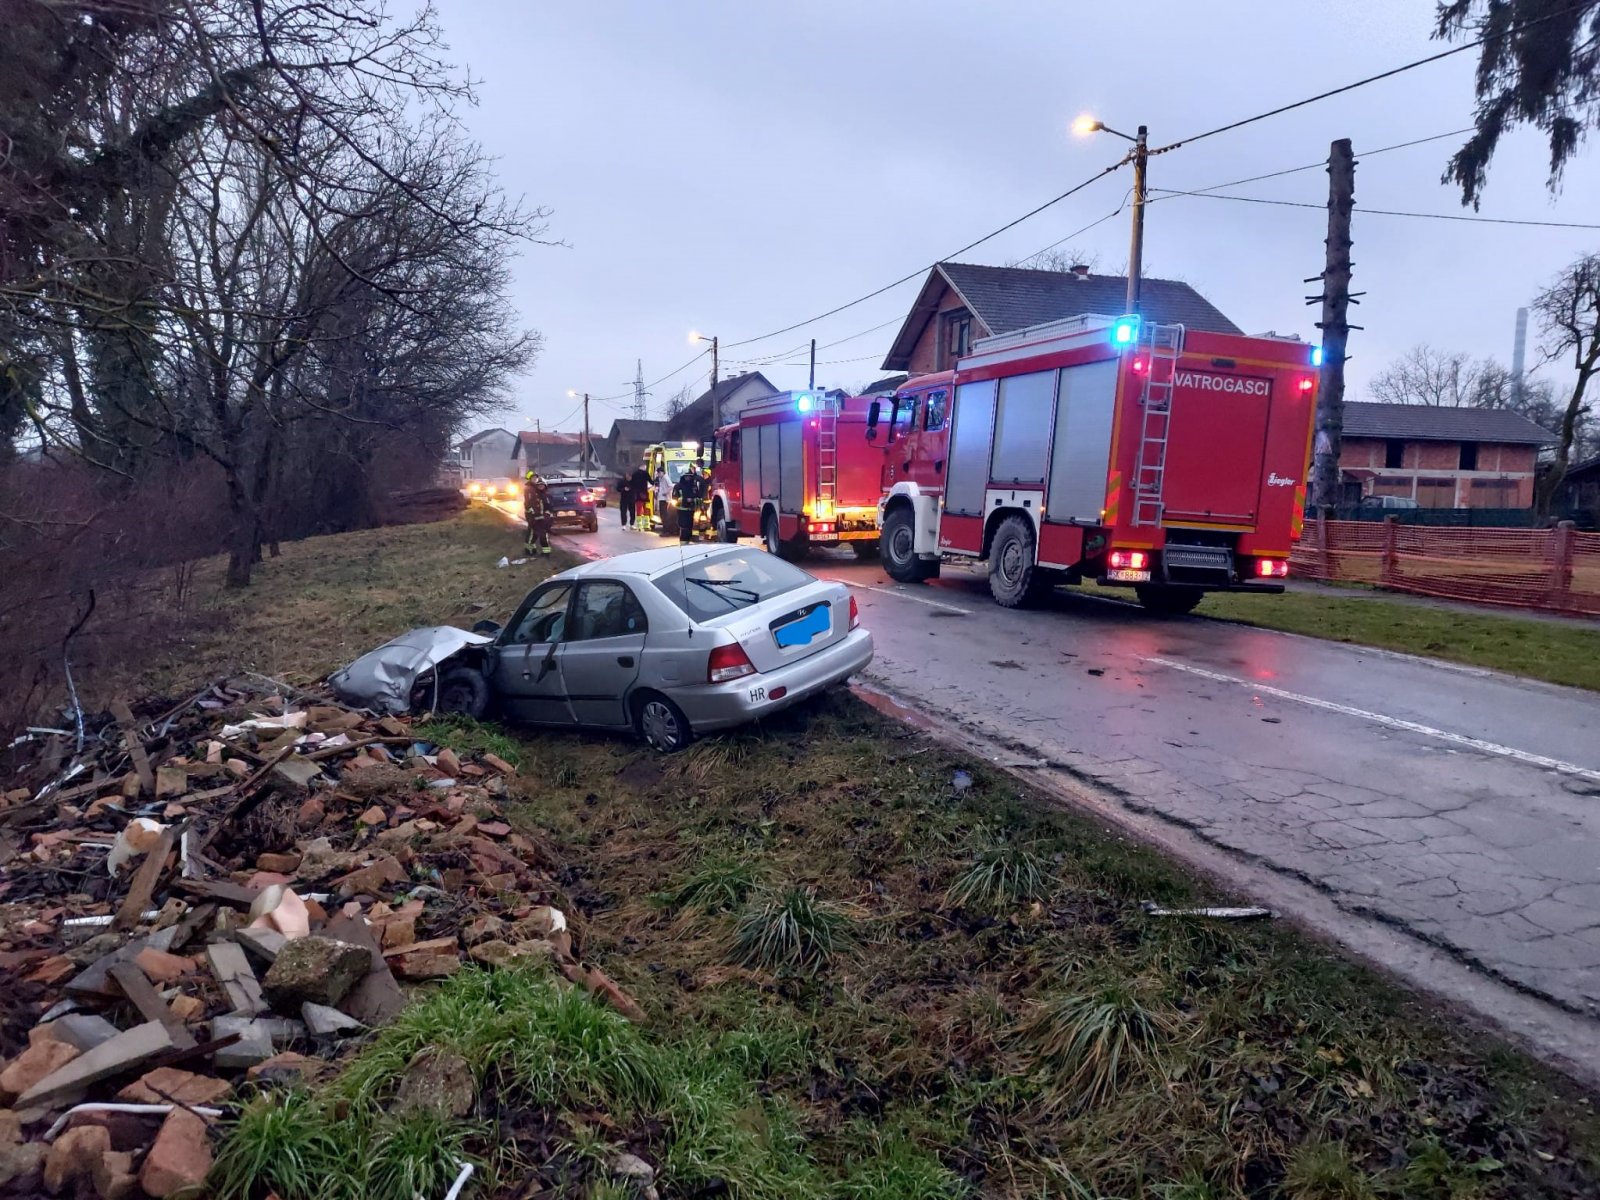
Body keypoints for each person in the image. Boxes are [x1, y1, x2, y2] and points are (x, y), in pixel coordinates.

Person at [672, 461, 707, 544]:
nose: (688, 478)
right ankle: (683, 544)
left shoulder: (694, 487)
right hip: (682, 510)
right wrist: (684, 500)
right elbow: (674, 499)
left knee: (690, 526)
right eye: (686, 476)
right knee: (684, 527)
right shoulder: (678, 486)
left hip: (691, 510)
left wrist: (694, 501)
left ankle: (688, 542)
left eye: (689, 476)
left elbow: (699, 498)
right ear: (683, 476)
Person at [523, 471, 553, 556]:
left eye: (535, 478)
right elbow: (529, 503)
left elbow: (549, 507)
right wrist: (532, 515)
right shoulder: (531, 490)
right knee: (533, 534)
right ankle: (531, 550)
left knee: (541, 535)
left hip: (543, 519)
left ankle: (545, 553)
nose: (540, 487)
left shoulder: (546, 495)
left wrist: (546, 517)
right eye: (533, 478)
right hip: (535, 518)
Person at [629, 465, 650, 532]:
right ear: (643, 467)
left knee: (639, 510)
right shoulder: (645, 473)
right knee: (646, 509)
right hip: (644, 494)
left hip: (637, 495)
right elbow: (651, 481)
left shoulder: (634, 474)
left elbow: (631, 484)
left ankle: (639, 526)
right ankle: (646, 525)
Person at [654, 467, 671, 535]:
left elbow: (671, 486)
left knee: (664, 515)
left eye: (658, 473)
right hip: (661, 498)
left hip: (664, 499)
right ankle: (665, 530)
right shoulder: (661, 478)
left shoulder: (666, 478)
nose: (658, 474)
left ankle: (666, 531)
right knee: (662, 515)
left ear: (662, 472)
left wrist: (665, 492)